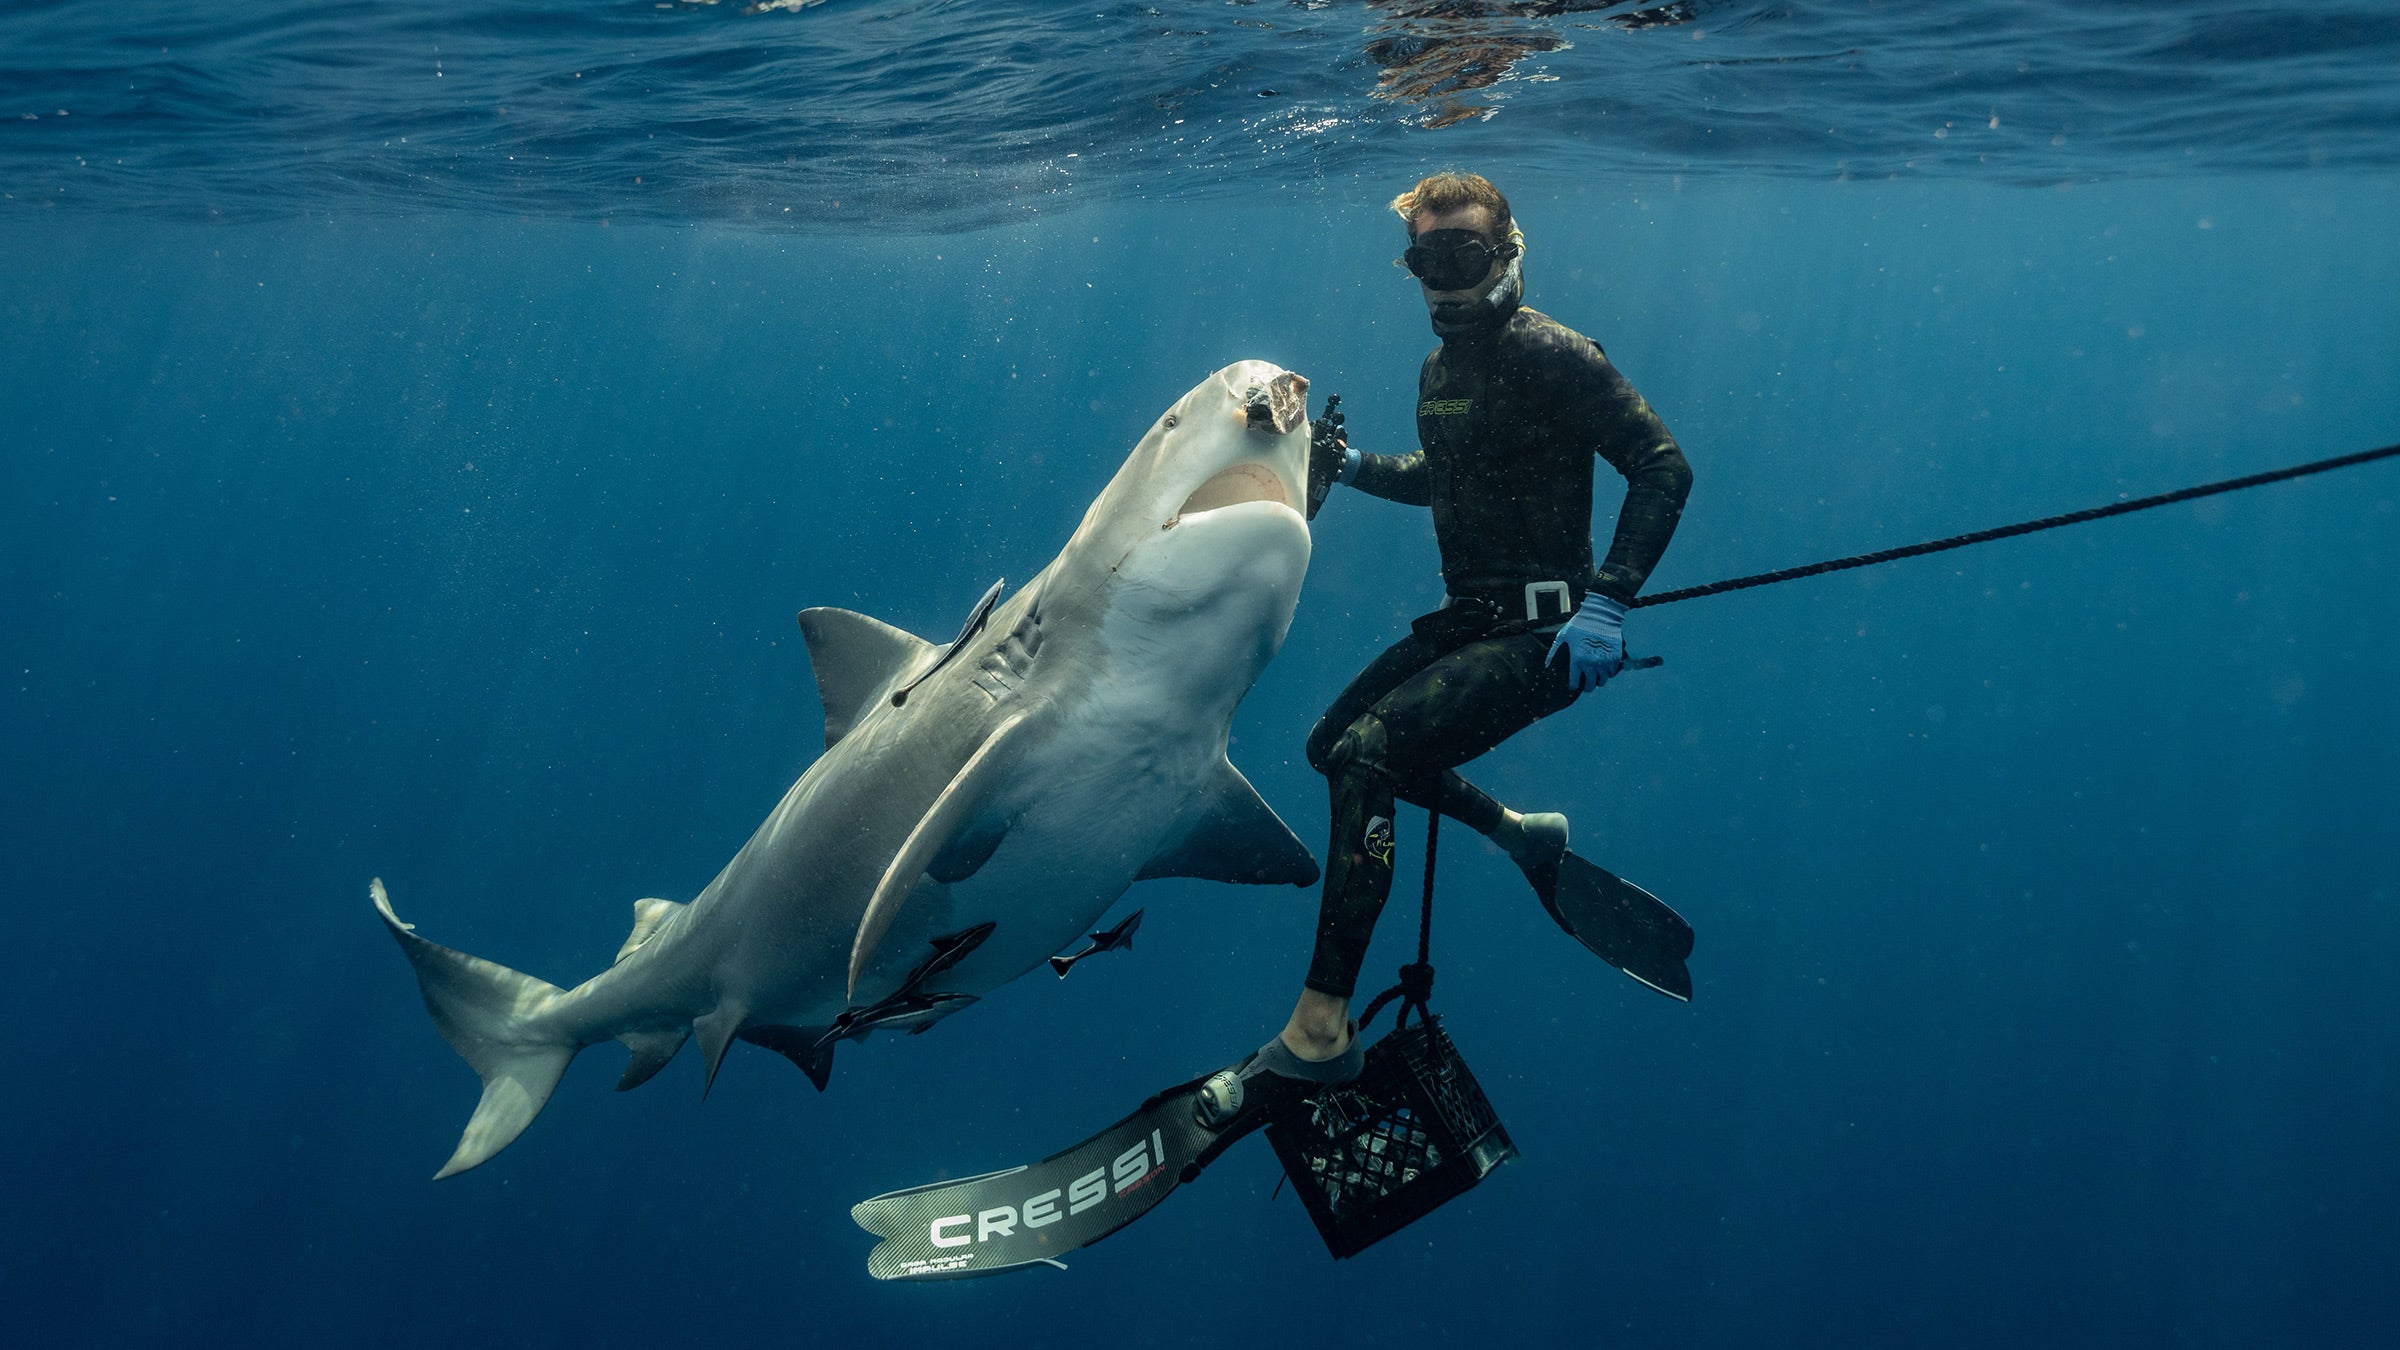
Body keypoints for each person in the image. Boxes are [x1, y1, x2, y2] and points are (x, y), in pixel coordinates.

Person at [1196, 171, 1693, 1126]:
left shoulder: (1554, 354)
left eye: (1463, 255)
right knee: (1329, 747)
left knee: (1369, 754)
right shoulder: (1440, 374)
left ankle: (1317, 1028)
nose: (1443, 280)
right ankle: (1519, 833)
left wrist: (1609, 604)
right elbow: (1445, 478)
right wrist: (1347, 466)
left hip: (1547, 636)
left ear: (1508, 252)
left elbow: (1662, 466)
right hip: (1470, 621)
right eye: (1426, 260)